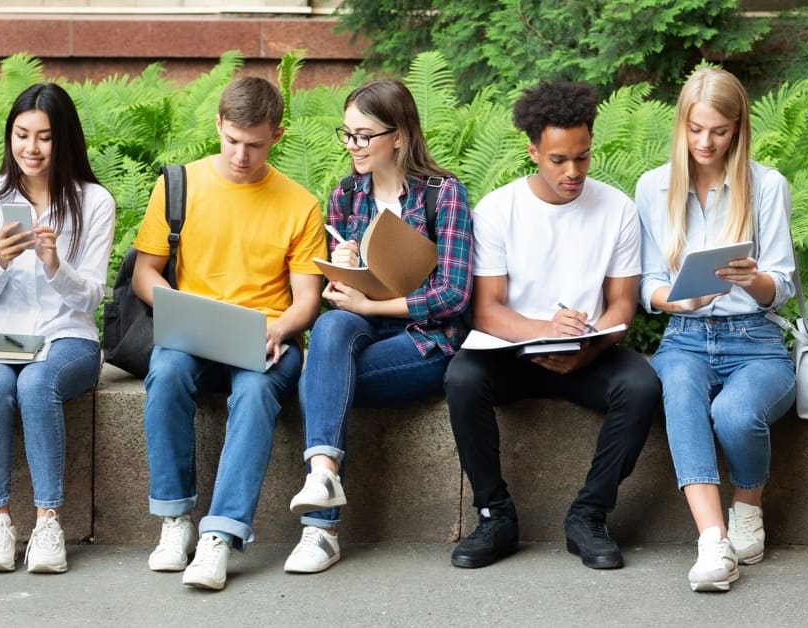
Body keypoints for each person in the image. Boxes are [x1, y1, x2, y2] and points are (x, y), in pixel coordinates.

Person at [444, 81, 661, 571]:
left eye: (582, 158)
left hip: (589, 354)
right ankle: (494, 515)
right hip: (512, 352)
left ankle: (589, 516)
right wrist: (546, 328)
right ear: (533, 151)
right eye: (559, 159)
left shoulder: (617, 209)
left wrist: (587, 347)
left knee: (642, 384)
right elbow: (487, 311)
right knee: (461, 378)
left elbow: (622, 306)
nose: (573, 172)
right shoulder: (499, 210)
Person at [131, 76, 326, 591]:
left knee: (258, 389)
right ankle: (175, 521)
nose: (241, 155)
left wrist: (279, 328)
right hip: (195, 332)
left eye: (255, 144)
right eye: (232, 140)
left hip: (267, 335)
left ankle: (218, 536)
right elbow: (144, 273)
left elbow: (307, 299)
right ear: (218, 124)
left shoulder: (299, 203)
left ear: (277, 136)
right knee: (166, 370)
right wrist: (176, 307)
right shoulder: (181, 184)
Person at [284, 80, 473, 574]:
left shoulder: (442, 194)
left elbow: (453, 295)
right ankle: (324, 477)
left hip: (425, 343)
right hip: (359, 335)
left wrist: (371, 307)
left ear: (399, 135)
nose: (353, 146)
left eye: (364, 135)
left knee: (318, 381)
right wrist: (342, 269)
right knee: (329, 332)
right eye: (345, 135)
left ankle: (319, 530)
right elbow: (340, 304)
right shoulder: (345, 196)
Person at [635, 67, 796, 593]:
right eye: (695, 128)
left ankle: (748, 503)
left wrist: (753, 280)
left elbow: (785, 287)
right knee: (680, 391)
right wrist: (687, 296)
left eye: (719, 131)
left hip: (756, 339)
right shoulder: (654, 186)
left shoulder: (767, 185)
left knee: (733, 412)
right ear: (681, 123)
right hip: (684, 335)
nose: (705, 142)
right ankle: (713, 542)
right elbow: (650, 287)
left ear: (738, 128)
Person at [0, 83, 115, 574]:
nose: (31, 148)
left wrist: (55, 263)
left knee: (36, 381)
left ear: (64, 139)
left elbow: (91, 295)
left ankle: (49, 522)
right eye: (21, 135)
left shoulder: (93, 202)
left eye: (44, 137)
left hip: (66, 336)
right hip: (4, 330)